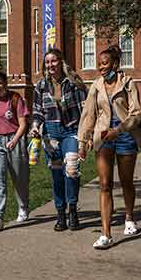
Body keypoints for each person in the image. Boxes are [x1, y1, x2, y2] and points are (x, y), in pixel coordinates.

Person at [79, 45, 141, 250]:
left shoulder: (128, 83)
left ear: (115, 64)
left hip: (125, 136)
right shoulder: (96, 86)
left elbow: (136, 115)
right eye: (99, 64)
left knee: (126, 182)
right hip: (103, 137)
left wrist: (118, 131)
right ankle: (106, 234)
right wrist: (83, 141)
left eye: (105, 63)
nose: (101, 67)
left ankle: (129, 218)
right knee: (105, 185)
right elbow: (88, 115)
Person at [31, 48, 88, 232]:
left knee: (71, 170)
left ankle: (73, 210)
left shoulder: (73, 83)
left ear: (61, 62)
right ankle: (60, 214)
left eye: (54, 61)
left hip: (71, 131)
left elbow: (84, 109)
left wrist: (85, 136)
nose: (50, 65)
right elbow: (38, 111)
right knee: (56, 175)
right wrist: (34, 126)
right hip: (51, 133)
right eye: (47, 62)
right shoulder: (40, 86)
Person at [0, 70, 31, 232]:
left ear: (6, 84)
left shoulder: (15, 99)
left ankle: (23, 207)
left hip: (14, 140)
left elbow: (23, 124)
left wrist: (15, 140)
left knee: (20, 179)